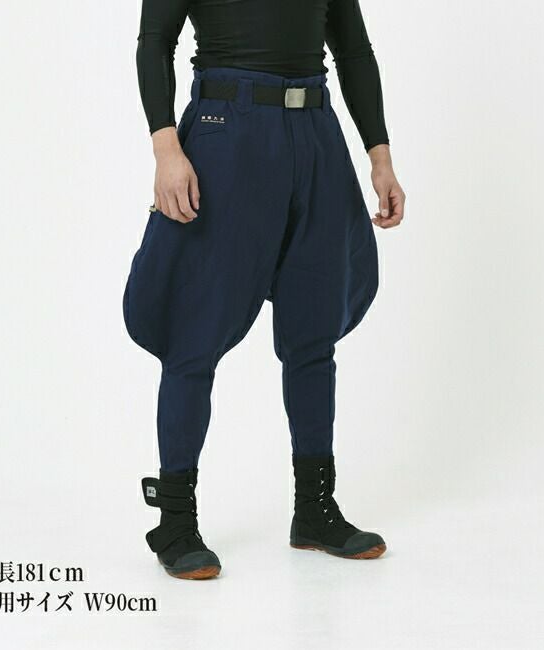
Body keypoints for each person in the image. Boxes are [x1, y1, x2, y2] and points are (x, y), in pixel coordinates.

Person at [124, 0, 405, 580]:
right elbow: (154, 42)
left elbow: (353, 50)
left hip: (316, 134)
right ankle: (175, 521)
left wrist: (380, 158)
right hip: (228, 131)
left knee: (314, 330)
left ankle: (315, 510)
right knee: (193, 331)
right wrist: (166, 148)